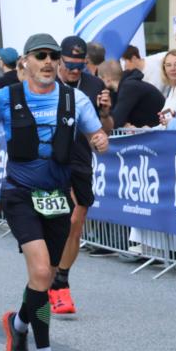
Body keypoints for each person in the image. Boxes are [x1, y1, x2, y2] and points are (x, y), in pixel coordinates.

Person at [0, 34, 109, 351]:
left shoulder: (74, 99)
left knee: (44, 276)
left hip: (57, 196)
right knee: (42, 271)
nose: (47, 61)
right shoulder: (4, 97)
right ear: (24, 62)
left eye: (52, 56)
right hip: (20, 193)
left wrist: (100, 138)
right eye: (40, 55)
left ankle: (18, 323)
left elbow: (97, 133)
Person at [48, 36, 109, 315]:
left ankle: (60, 279)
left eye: (79, 66)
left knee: (76, 220)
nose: (74, 71)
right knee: (62, 218)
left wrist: (105, 113)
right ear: (60, 59)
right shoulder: (47, 82)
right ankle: (51, 279)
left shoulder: (94, 85)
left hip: (81, 159)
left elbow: (106, 128)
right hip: (51, 159)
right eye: (69, 65)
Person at [100, 49, 165, 128]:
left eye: (100, 78)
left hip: (160, 130)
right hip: (154, 129)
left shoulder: (129, 87)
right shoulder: (123, 88)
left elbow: (115, 122)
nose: (99, 83)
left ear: (107, 79)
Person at [158, 50, 176, 123]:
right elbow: (167, 123)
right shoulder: (170, 89)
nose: (173, 68)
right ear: (164, 69)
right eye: (168, 65)